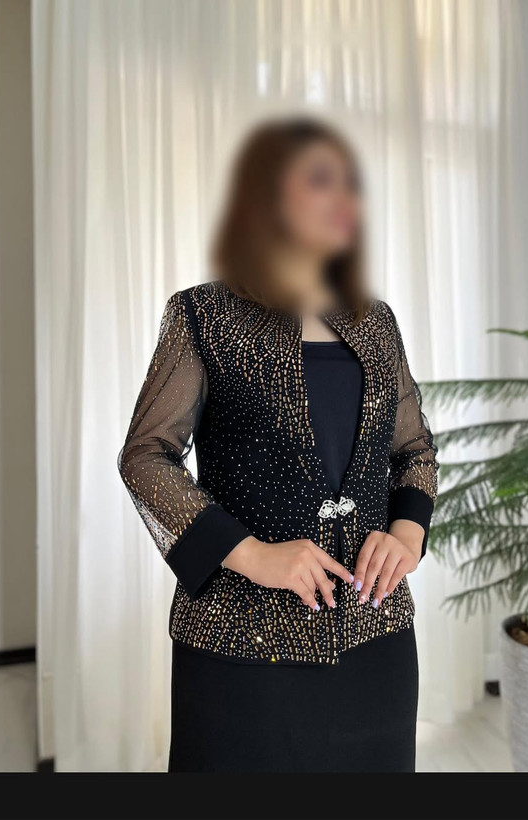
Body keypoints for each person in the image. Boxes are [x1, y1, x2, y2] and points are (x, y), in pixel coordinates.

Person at [118, 116, 438, 772]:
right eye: (321, 179)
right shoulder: (204, 315)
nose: (345, 197)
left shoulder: (375, 322)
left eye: (351, 182)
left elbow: (414, 451)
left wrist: (407, 534)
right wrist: (252, 554)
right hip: (240, 648)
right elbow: (146, 455)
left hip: (375, 640)